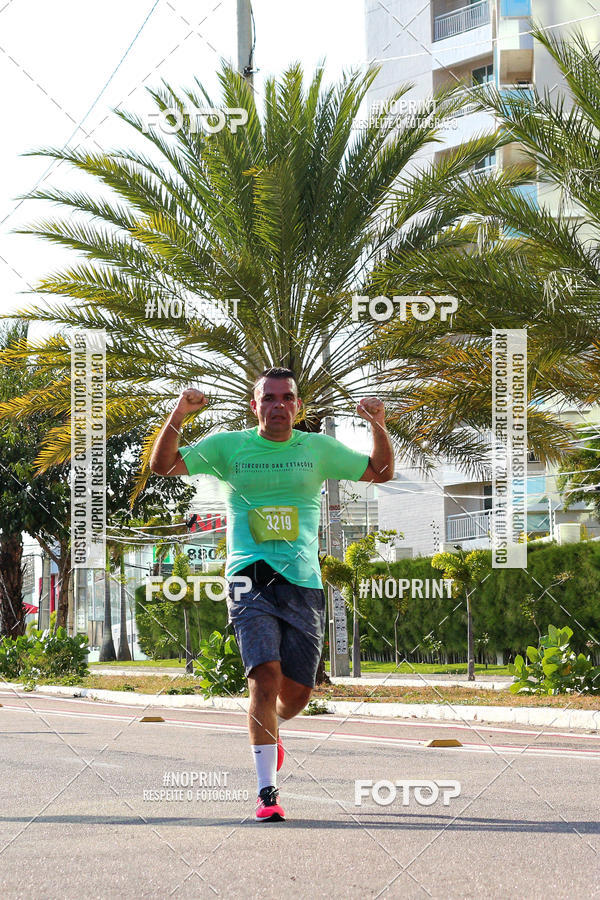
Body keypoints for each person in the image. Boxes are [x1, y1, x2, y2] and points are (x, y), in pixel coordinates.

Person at [149, 367, 394, 821]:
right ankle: (267, 793)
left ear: (298, 406)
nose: (277, 405)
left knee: (298, 693)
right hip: (247, 575)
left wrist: (378, 423)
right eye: (269, 398)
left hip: (302, 581)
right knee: (264, 677)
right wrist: (179, 413)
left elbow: (380, 471)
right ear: (254, 405)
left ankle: (271, 730)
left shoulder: (316, 449)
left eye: (286, 398)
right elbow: (162, 466)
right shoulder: (228, 448)